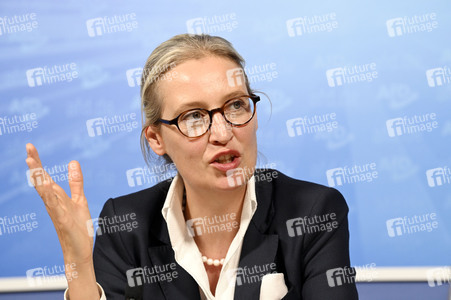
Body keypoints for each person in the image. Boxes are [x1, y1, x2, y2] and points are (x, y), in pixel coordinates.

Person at [25, 34, 358, 300]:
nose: (224, 133)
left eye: (236, 105)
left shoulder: (312, 211)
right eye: (194, 116)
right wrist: (80, 264)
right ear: (156, 138)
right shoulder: (126, 225)